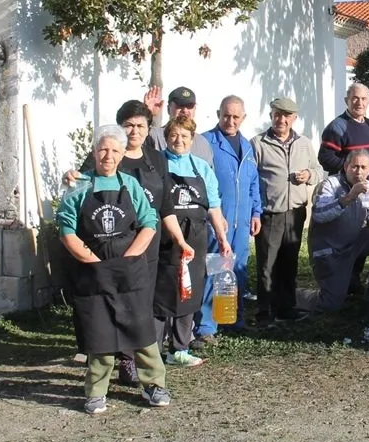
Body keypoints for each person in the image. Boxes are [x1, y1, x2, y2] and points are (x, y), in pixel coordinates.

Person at [62, 100, 187, 385]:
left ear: (148, 129)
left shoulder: (156, 158)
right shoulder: (106, 153)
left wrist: (179, 239)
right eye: (128, 124)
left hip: (145, 246)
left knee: (140, 306)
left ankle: (134, 362)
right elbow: (77, 184)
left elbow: (165, 204)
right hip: (104, 250)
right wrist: (66, 177)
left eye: (140, 125)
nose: (134, 130)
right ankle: (113, 361)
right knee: (106, 307)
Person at [56, 125, 171, 415]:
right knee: (100, 334)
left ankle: (154, 385)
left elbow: (148, 223)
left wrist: (130, 258)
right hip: (92, 272)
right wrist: (92, 260)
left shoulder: (130, 185)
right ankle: (96, 392)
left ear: (122, 155)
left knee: (142, 331)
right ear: (94, 152)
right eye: (103, 149)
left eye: (115, 151)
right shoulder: (80, 185)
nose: (108, 156)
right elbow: (67, 230)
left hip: (130, 271)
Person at [156, 117, 231, 366]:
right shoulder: (157, 165)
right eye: (174, 135)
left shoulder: (201, 167)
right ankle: (154, 349)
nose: (179, 140)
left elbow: (214, 207)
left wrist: (222, 238)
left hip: (196, 236)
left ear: (192, 139)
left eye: (184, 136)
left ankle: (179, 347)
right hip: (165, 240)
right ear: (167, 137)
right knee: (163, 291)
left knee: (190, 291)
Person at [298, 150, 369, 312]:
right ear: (346, 166)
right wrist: (349, 197)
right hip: (330, 252)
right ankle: (294, 295)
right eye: (354, 167)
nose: (359, 172)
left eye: (363, 167)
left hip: (355, 244)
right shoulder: (329, 185)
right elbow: (319, 214)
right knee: (330, 305)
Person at [250, 97, 321, 323]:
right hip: (271, 212)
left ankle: (287, 308)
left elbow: (318, 169)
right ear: (271, 116)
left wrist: (310, 176)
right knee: (267, 264)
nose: (281, 119)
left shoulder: (304, 143)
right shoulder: (258, 143)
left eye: (286, 116)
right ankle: (265, 312)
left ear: (294, 118)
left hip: (296, 212)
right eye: (277, 114)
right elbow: (252, 179)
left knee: (289, 262)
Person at [197, 95, 261, 339]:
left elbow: (253, 182)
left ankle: (232, 318)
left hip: (242, 223)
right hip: (217, 221)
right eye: (226, 115)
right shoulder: (206, 142)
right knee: (215, 269)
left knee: (238, 272)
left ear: (243, 118)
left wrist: (256, 212)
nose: (230, 121)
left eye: (236, 117)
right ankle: (207, 326)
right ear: (218, 114)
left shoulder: (247, 146)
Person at [318, 82, 369, 295]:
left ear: (368, 101)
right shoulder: (337, 127)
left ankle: (355, 281)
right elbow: (325, 157)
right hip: (344, 192)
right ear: (347, 100)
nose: (359, 102)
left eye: (363, 99)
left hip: (367, 192)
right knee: (344, 238)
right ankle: (340, 282)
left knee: (362, 235)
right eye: (355, 98)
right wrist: (350, 172)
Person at [143, 86, 215, 165]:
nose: (185, 110)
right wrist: (147, 114)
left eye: (189, 106)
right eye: (180, 105)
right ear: (168, 109)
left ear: (195, 109)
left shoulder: (203, 143)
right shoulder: (155, 136)